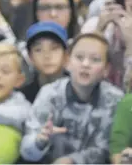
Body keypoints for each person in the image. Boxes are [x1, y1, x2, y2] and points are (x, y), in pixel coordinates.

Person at [20, 32, 123, 164]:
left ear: (106, 69)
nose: (85, 64)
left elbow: (105, 149)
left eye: (95, 59)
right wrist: (40, 141)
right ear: (68, 62)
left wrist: (72, 161)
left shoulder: (115, 100)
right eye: (79, 57)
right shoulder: (50, 94)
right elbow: (27, 151)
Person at [20, 21, 69, 103]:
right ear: (30, 57)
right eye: (38, 50)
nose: (47, 56)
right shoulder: (23, 98)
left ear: (66, 54)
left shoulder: (79, 90)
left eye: (54, 48)